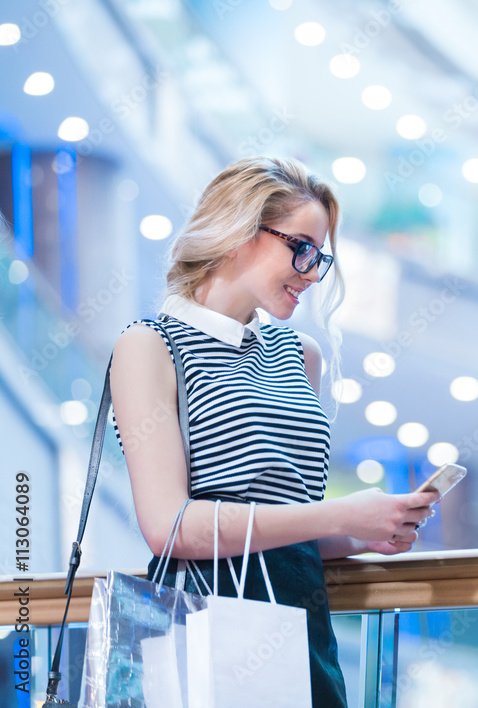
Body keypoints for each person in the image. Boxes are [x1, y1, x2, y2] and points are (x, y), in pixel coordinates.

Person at [109, 156, 438, 706]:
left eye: (320, 258)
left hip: (302, 628)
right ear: (240, 231)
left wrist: (361, 535)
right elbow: (171, 528)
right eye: (301, 248)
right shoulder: (149, 345)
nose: (311, 273)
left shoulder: (298, 354)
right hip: (205, 626)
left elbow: (286, 525)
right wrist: (342, 513)